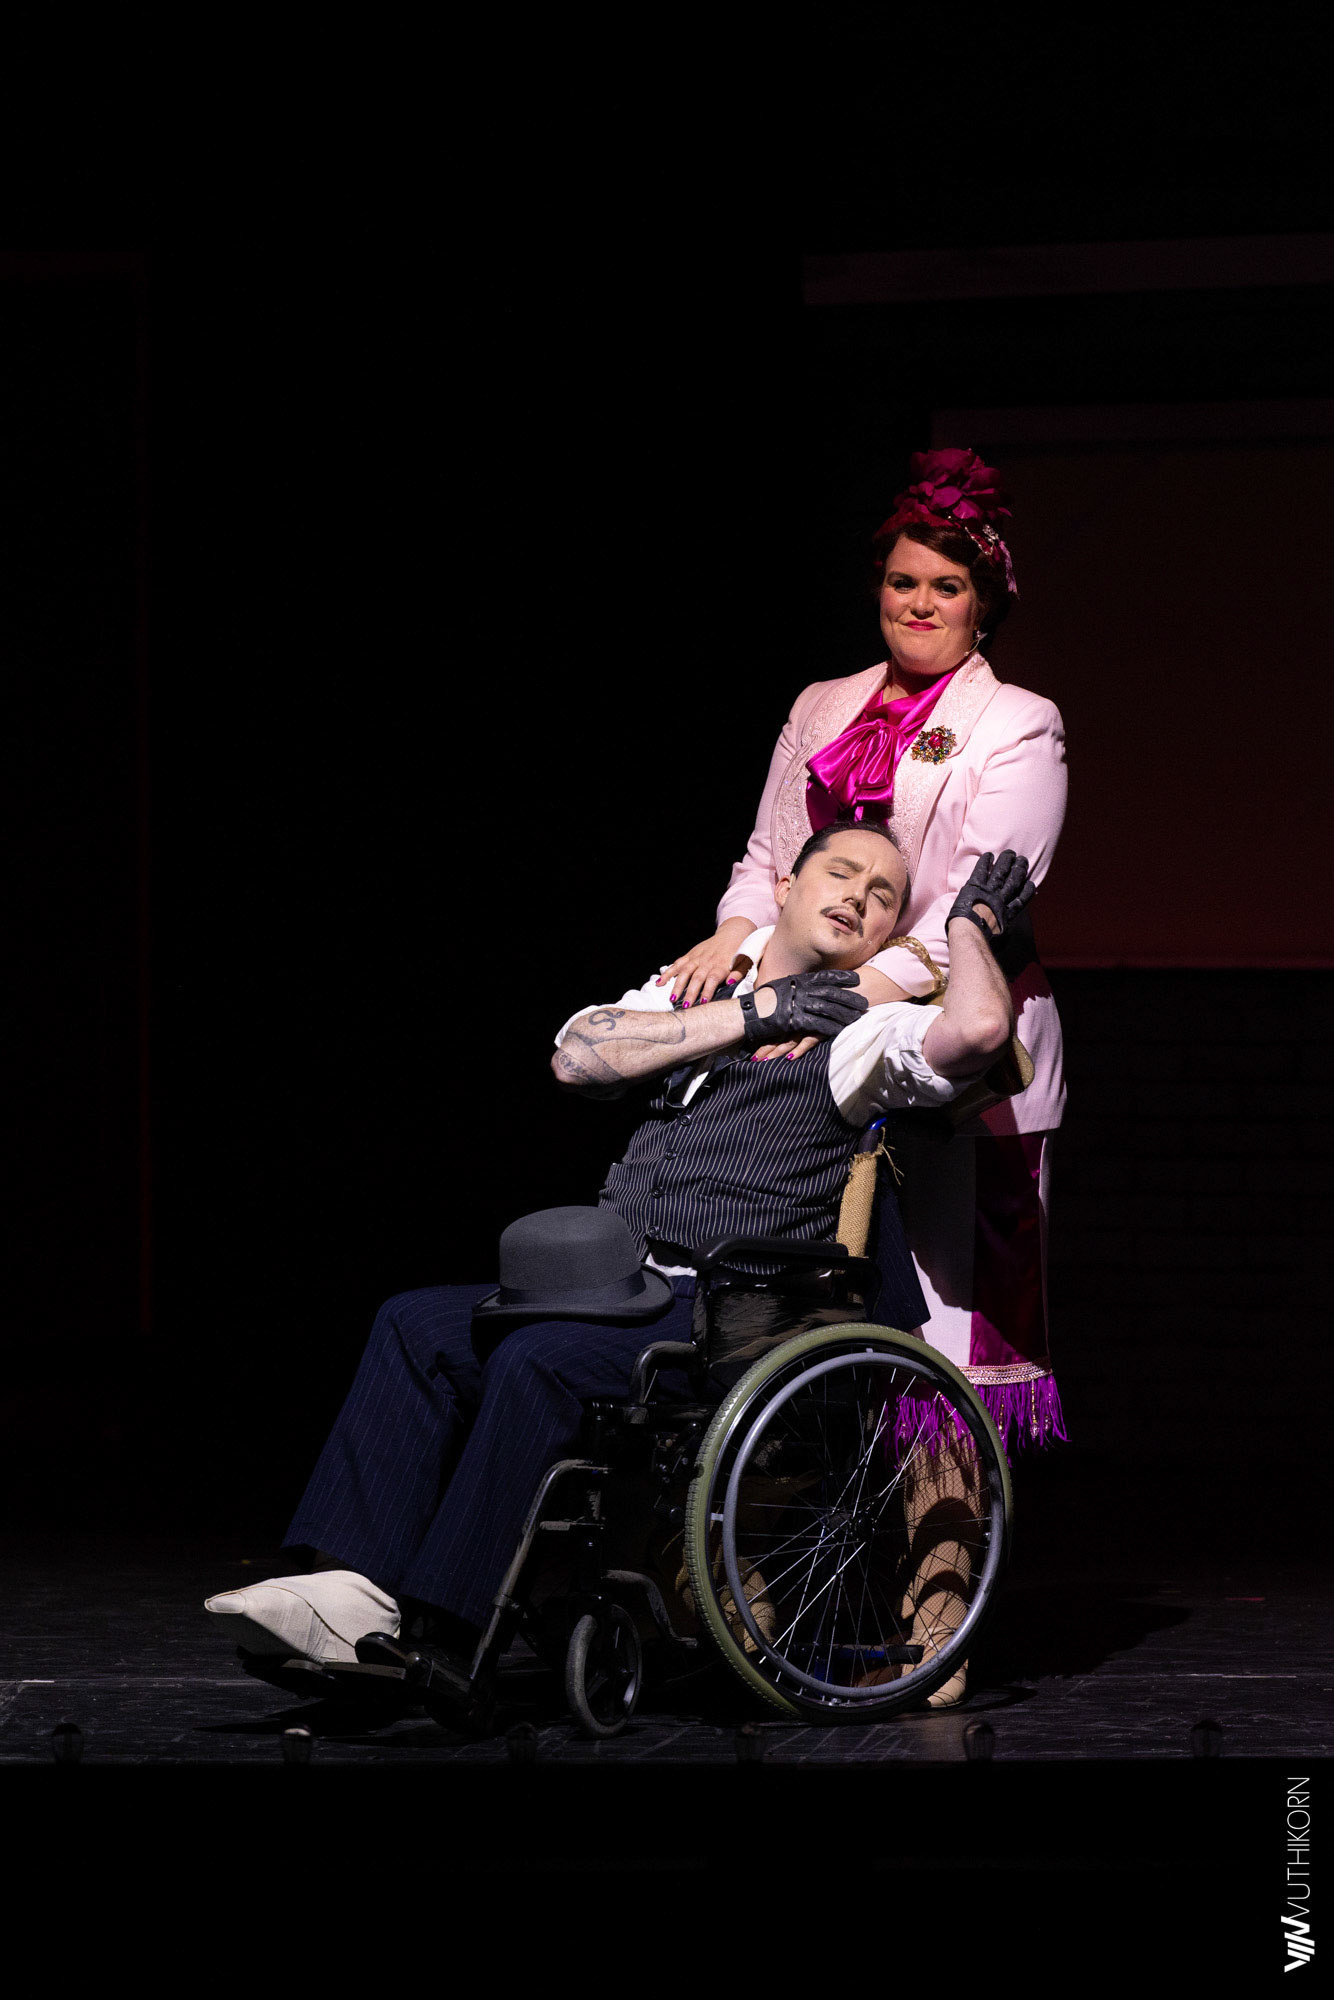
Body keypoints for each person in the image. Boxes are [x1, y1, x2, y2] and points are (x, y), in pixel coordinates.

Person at [203, 822, 1034, 1723]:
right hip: (613, 1286)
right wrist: (757, 1012)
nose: (859, 898)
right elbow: (578, 1055)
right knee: (412, 1323)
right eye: (842, 872)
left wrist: (969, 929)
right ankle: (347, 1596)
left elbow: (979, 1030)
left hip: (719, 1307)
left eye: (883, 897)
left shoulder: (862, 1036)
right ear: (786, 885)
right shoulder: (700, 987)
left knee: (538, 1359)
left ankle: (445, 1638)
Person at [660, 448, 1068, 1449]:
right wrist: (734, 940)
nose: (919, 603)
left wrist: (837, 1000)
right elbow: (767, 859)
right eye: (901, 580)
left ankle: (943, 1535)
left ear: (982, 603)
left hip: (954, 1047)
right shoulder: (820, 704)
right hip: (809, 1037)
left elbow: (976, 908)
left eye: (946, 586)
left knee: (944, 1320)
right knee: (810, 1298)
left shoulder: (1018, 725)